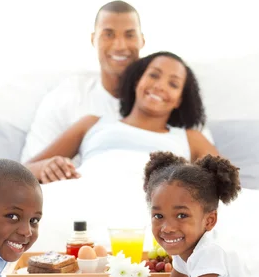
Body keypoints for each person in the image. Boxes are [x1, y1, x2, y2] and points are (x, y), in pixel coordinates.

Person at [25, 51, 219, 184]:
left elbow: (228, 185)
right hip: (86, 205)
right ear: (137, 81)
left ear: (179, 100)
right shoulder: (92, 123)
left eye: (173, 84)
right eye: (153, 75)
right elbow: (21, 172)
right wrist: (44, 167)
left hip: (157, 217)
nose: (160, 86)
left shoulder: (190, 138)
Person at [20, 0, 145, 164]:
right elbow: (30, 171)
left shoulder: (162, 99)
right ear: (93, 39)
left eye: (129, 35)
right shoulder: (67, 98)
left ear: (142, 40)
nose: (120, 45)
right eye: (108, 34)